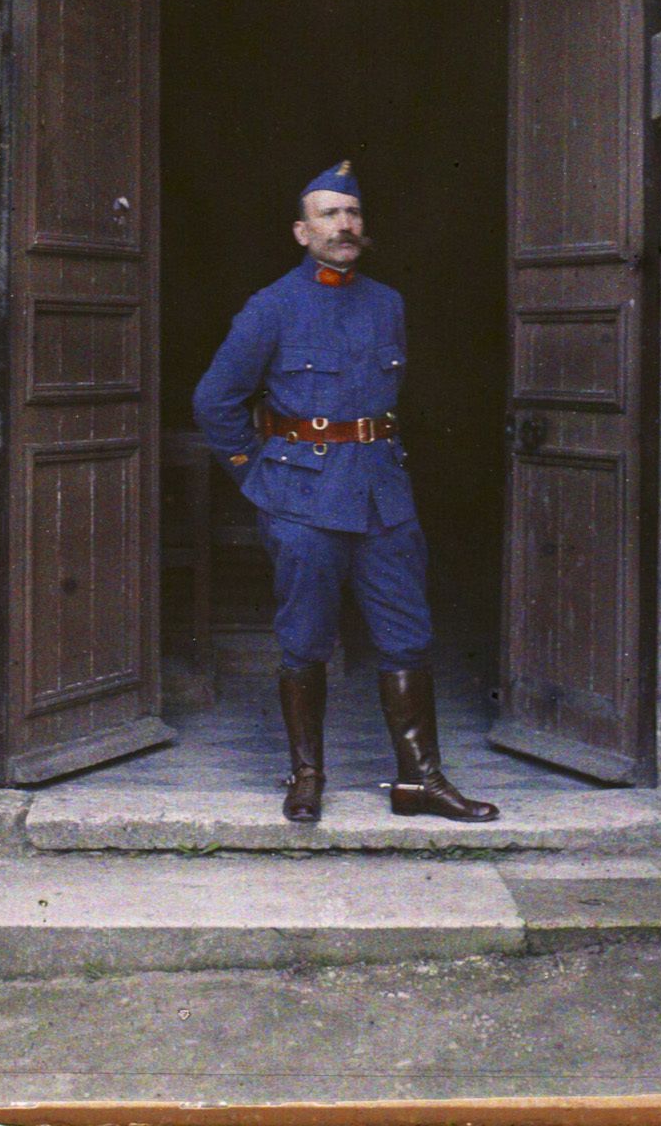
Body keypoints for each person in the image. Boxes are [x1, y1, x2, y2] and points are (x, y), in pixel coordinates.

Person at [192, 162, 499, 826]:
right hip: (301, 499)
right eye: (328, 215)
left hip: (381, 498)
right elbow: (214, 401)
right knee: (304, 640)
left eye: (352, 214)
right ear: (302, 231)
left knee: (407, 636)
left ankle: (419, 780)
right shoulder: (271, 307)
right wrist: (257, 477)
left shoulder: (386, 304)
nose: (344, 225)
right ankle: (306, 774)